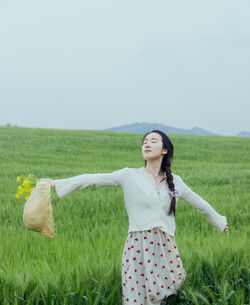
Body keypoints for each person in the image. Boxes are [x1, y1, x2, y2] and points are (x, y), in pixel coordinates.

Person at [41, 130, 229, 305]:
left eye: (153, 141)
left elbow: (201, 205)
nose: (147, 144)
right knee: (137, 298)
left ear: (164, 150)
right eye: (144, 142)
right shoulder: (129, 175)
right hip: (138, 246)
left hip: (164, 247)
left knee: (161, 298)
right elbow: (92, 179)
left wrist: (220, 223)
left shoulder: (176, 181)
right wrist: (55, 183)